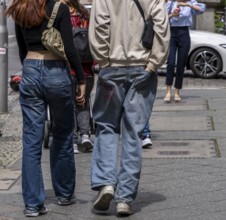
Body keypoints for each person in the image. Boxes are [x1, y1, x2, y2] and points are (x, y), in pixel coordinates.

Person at [88, 0, 170, 216]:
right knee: (133, 133)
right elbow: (162, 26)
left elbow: (99, 25)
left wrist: (103, 59)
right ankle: (124, 198)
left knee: (106, 126)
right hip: (142, 67)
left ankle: (106, 182)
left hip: (111, 66)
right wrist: (154, 63)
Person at [6, 0, 86, 217]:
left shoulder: (20, 9)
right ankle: (64, 194)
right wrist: (81, 80)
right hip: (56, 72)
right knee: (62, 133)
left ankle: (33, 204)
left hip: (30, 70)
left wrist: (32, 71)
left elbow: (23, 51)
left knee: (31, 140)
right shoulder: (59, 8)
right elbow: (69, 48)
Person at [60, 0, 94, 154]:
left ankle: (73, 140)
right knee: (83, 102)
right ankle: (85, 134)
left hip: (68, 68)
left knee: (70, 105)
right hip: (87, 69)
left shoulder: (62, 16)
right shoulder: (86, 16)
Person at [164, 0, 206, 103]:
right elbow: (162, 19)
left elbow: (201, 9)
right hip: (172, 33)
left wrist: (187, 5)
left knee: (181, 64)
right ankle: (168, 92)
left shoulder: (190, 2)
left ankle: (177, 92)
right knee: (170, 63)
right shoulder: (170, 3)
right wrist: (171, 15)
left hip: (184, 33)